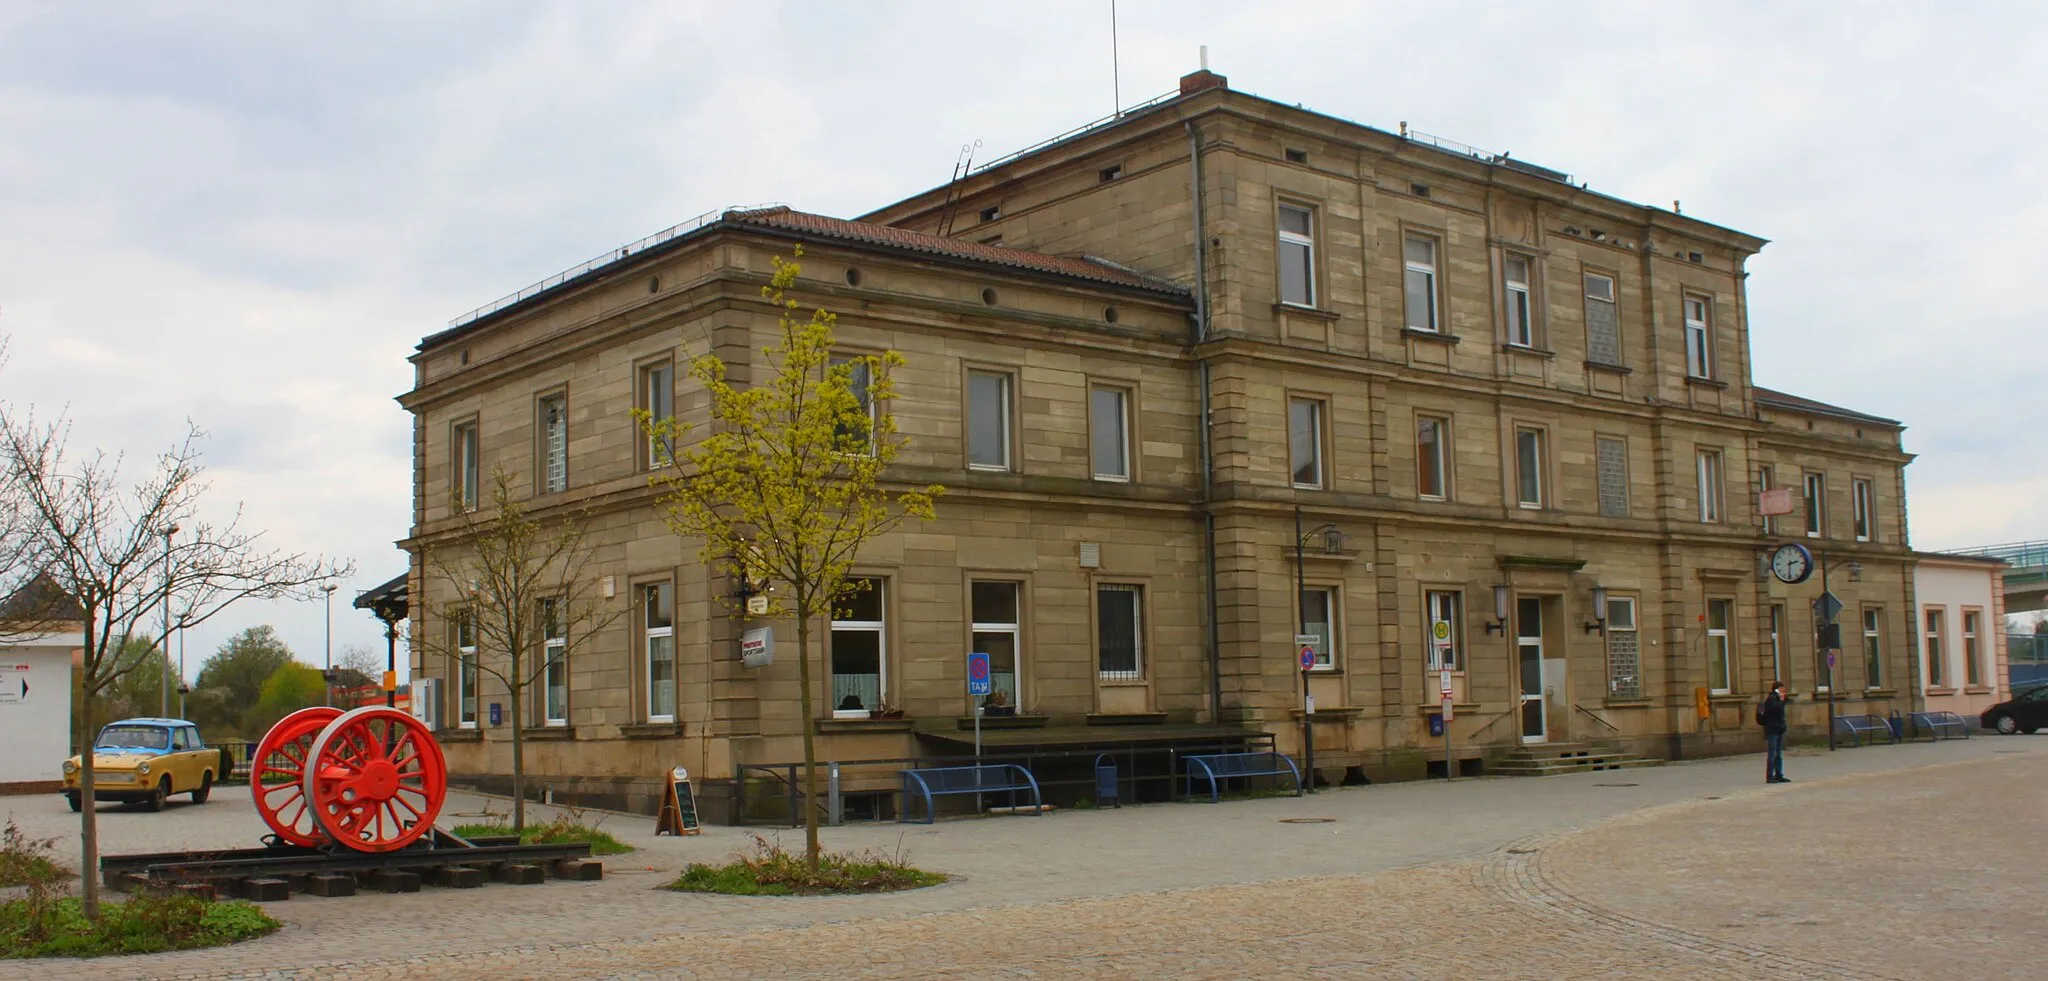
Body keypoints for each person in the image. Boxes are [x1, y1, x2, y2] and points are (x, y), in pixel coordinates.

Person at [1758, 680, 1792, 784]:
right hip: (1772, 729)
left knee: (1778, 754)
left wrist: (1784, 700)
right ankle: (1769, 776)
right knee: (1772, 754)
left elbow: (1785, 705)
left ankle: (1779, 774)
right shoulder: (1771, 699)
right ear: (1777, 689)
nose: (1784, 690)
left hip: (1779, 729)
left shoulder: (1779, 698)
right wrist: (1781, 701)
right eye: (1782, 688)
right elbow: (1774, 709)